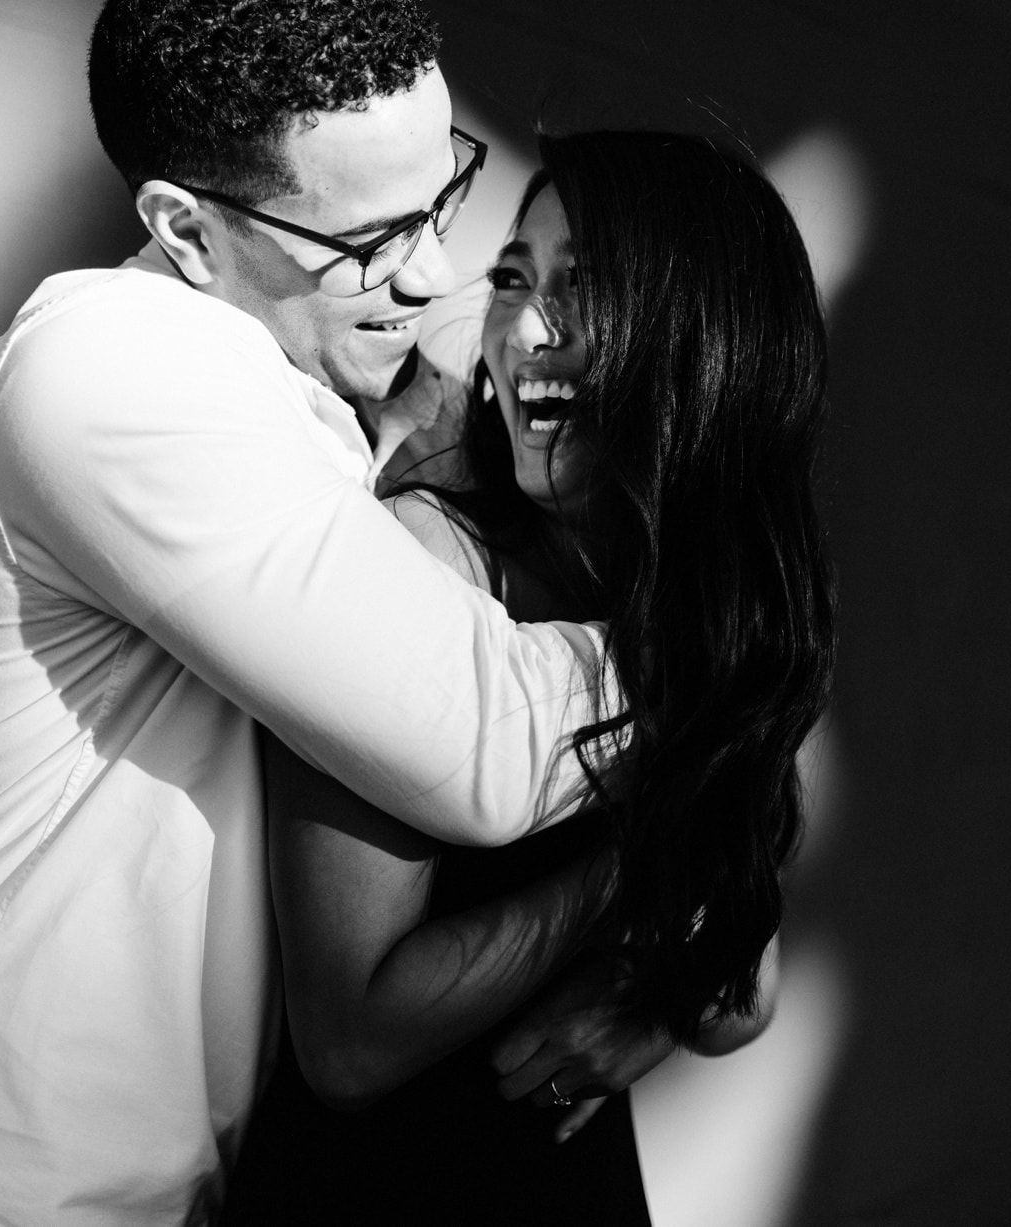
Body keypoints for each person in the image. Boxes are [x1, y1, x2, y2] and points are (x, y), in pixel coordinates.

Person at [0, 4, 622, 1224]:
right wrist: (747, 654)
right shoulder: (111, 370)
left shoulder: (327, 388)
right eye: (372, 237)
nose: (432, 274)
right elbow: (487, 748)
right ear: (185, 232)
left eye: (444, 195)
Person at [223, 130, 836, 1223]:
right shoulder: (427, 563)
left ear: (705, 340)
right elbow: (351, 1042)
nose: (528, 331)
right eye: (514, 277)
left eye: (584, 289)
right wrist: (646, 868)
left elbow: (741, 989)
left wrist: (645, 1010)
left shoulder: (704, 598)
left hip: (566, 1167)